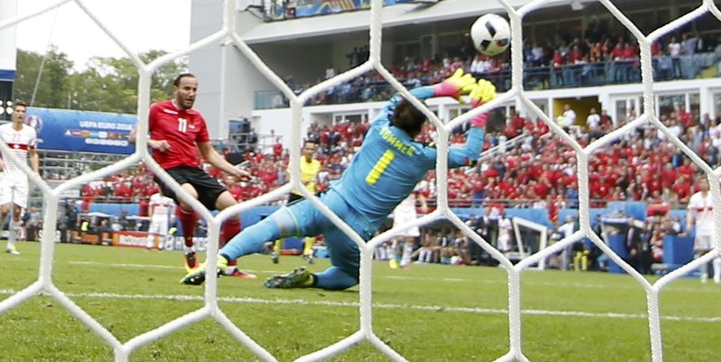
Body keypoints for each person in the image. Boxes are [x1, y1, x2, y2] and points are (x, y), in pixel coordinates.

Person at [182, 69, 493, 289]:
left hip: (329, 203)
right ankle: (312, 279)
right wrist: (479, 114)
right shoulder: (424, 156)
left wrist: (442, 88)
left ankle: (222, 259)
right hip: (355, 228)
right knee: (348, 276)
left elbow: (402, 97)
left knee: (268, 227)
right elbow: (470, 155)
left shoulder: (379, 127)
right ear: (422, 130)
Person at [129, 73, 254, 277]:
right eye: (187, 89)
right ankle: (189, 249)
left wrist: (235, 170)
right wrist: (153, 143)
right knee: (190, 197)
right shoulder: (157, 110)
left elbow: (209, 153)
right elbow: (134, 136)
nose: (191, 93)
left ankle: (231, 266)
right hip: (167, 169)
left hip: (194, 170)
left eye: (194, 89)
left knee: (232, 208)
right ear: (175, 89)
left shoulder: (197, 118)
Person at [0, 100, 39, 255]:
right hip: (7, 174)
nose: (20, 114)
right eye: (18, 111)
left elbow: (33, 153)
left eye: (23, 112)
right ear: (13, 112)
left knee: (17, 212)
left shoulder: (30, 132)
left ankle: (11, 244)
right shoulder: (3, 130)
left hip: (21, 175)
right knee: (4, 209)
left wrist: (35, 171)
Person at [271, 140, 321, 265]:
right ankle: (276, 250)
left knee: (313, 224)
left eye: (312, 149)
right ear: (303, 150)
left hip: (310, 196)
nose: (310, 151)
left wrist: (316, 188)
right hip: (296, 195)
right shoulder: (296, 162)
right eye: (308, 149)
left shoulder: (317, 164)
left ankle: (307, 252)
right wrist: (300, 182)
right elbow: (288, 178)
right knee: (287, 223)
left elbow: (315, 181)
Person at [684, 175, 720, 283]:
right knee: (701, 252)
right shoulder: (695, 198)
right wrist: (689, 225)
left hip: (713, 228)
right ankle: (704, 275)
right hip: (701, 228)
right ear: (699, 184)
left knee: (717, 252)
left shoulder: (715, 196)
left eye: (706, 183)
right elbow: (690, 213)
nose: (704, 185)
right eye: (702, 183)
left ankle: (717, 276)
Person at [388, 180, 429, 269]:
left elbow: (419, 195)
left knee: (410, 238)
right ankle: (392, 258)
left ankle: (404, 261)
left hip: (411, 211)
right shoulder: (397, 184)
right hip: (400, 210)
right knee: (399, 237)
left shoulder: (414, 183)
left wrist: (424, 204)